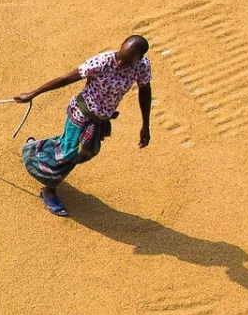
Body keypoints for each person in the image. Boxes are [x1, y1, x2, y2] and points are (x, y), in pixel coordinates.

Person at [14, 35, 153, 216]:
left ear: (139, 59)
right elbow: (67, 78)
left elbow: (145, 91)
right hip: (81, 113)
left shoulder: (142, 67)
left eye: (126, 62)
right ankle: (48, 189)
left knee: (86, 151)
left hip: (100, 119)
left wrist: (145, 125)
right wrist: (33, 93)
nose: (119, 63)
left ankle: (35, 148)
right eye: (120, 56)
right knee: (70, 152)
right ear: (119, 47)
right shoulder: (101, 62)